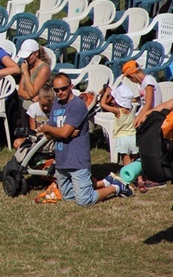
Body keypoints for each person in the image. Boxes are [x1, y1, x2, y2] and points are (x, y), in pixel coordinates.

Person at [38, 73, 132, 206]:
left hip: (77, 160)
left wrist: (49, 128)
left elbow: (62, 132)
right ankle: (105, 181)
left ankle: (116, 187)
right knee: (68, 196)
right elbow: (50, 135)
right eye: (56, 90)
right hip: (61, 160)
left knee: (84, 200)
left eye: (63, 88)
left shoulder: (77, 105)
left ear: (71, 86)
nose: (60, 92)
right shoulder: (57, 105)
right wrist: (59, 131)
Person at [99, 84, 141, 186]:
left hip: (123, 138)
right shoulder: (131, 108)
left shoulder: (118, 111)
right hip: (133, 137)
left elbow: (103, 104)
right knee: (135, 160)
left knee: (126, 161)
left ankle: (129, 183)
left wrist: (107, 93)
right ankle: (140, 179)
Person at [16, 39, 51, 127]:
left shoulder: (44, 69)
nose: (26, 59)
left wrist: (26, 73)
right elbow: (20, 91)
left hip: (38, 109)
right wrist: (32, 97)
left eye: (28, 56)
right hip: (26, 105)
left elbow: (32, 92)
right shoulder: (26, 65)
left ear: (36, 53)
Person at [123, 60, 162, 128]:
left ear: (131, 75)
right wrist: (136, 99)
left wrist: (136, 121)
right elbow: (146, 97)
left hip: (152, 115)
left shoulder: (148, 82)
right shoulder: (142, 84)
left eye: (129, 78)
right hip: (144, 112)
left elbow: (148, 105)